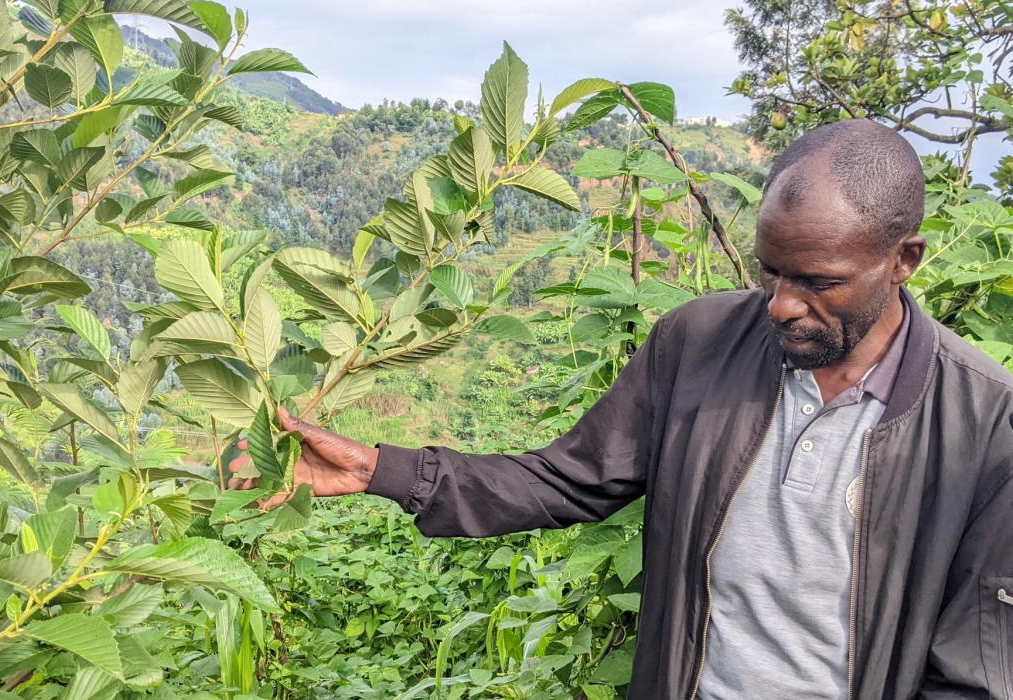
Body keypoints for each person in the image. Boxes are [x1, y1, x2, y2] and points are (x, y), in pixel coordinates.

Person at [228, 120, 1013, 699]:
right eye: (770, 272)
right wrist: (380, 470)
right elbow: (567, 480)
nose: (779, 305)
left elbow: (974, 669)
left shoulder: (982, 426)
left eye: (816, 282)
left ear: (902, 259)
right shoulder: (698, 343)